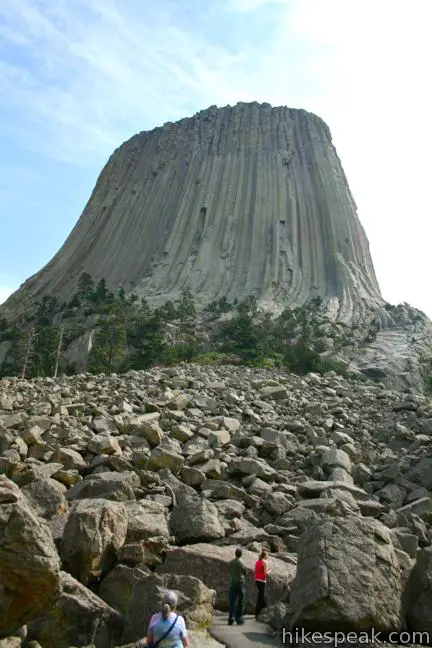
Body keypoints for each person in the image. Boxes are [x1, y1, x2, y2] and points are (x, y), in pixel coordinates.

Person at [228, 547, 247, 625]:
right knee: (241, 601)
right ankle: (239, 618)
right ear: (241, 554)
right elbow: (245, 573)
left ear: (235, 554)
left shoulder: (231, 562)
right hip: (240, 583)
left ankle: (231, 618)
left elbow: (229, 570)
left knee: (232, 601)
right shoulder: (242, 563)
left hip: (232, 583)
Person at [254, 549, 271, 620]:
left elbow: (256, 571)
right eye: (267, 555)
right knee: (261, 596)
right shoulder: (265, 562)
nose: (268, 556)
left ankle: (260, 611)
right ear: (264, 556)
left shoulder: (257, 562)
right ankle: (260, 612)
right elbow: (265, 574)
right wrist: (269, 571)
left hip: (257, 580)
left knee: (261, 596)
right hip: (262, 580)